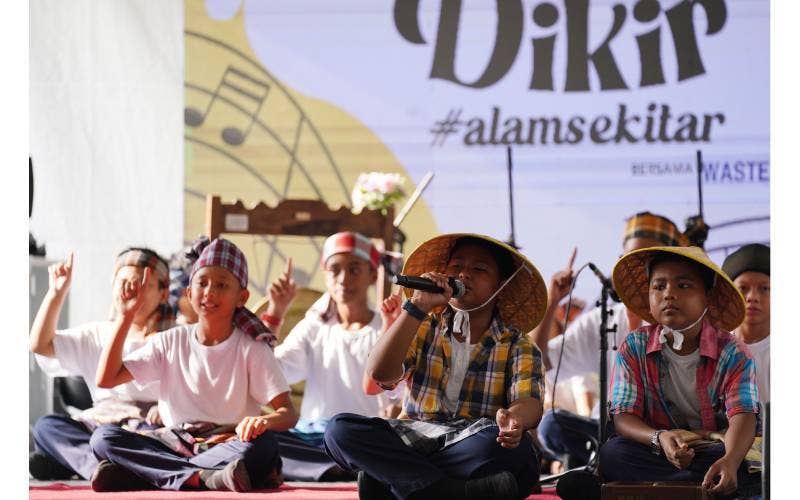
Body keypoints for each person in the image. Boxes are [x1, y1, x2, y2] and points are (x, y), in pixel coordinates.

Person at [324, 233, 548, 500]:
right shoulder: (422, 325)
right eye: (456, 266)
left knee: (514, 452)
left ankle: (398, 480)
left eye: (479, 269)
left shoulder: (518, 344)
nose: (463, 274)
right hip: (416, 437)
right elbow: (379, 373)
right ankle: (451, 492)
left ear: (501, 286)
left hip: (473, 442)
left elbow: (529, 401)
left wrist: (515, 419)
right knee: (338, 431)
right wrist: (416, 307)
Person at [89, 238, 298, 492]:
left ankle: (148, 475)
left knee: (264, 446)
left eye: (222, 285)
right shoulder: (169, 340)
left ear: (241, 297)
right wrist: (125, 316)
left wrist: (263, 422)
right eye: (202, 283)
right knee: (103, 438)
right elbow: (107, 379)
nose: (209, 292)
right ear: (189, 293)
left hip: (226, 442)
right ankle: (204, 478)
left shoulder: (252, 347)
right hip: (173, 442)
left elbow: (288, 413)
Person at [531, 212, 689, 469]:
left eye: (648, 261)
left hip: (663, 434)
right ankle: (611, 461)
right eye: (630, 259)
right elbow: (539, 362)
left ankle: (606, 463)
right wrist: (552, 301)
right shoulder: (603, 319)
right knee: (552, 424)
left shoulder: (681, 320)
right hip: (607, 430)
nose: (638, 268)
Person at [599, 246, 759, 497]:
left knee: (749, 460)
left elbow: (743, 415)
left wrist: (730, 460)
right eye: (658, 286)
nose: (668, 294)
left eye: (683, 286)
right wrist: (659, 437)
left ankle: (692, 483)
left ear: (707, 297)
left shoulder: (733, 352)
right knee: (612, 454)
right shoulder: (634, 346)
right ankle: (702, 488)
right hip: (659, 448)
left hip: (714, 448)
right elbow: (623, 417)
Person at [29, 248, 174, 480]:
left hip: (149, 427)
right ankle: (102, 468)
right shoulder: (97, 333)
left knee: (116, 439)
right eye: (124, 282)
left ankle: (74, 462)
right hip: (100, 422)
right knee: (47, 427)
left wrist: (168, 408)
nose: (131, 290)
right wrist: (56, 292)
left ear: (163, 293)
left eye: (141, 283)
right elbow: (40, 345)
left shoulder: (176, 337)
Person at [270, 231, 398, 481]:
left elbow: (401, 395)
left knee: (353, 438)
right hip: (313, 438)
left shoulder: (386, 326)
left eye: (354, 269)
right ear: (325, 275)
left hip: (361, 438)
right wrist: (275, 313)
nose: (343, 278)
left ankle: (330, 467)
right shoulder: (314, 326)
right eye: (334, 269)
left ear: (373, 275)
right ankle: (339, 468)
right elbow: (274, 373)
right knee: (261, 440)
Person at [722, 244, 770, 405]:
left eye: (765, 288)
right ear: (729, 294)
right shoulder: (715, 349)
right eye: (743, 288)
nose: (752, 297)